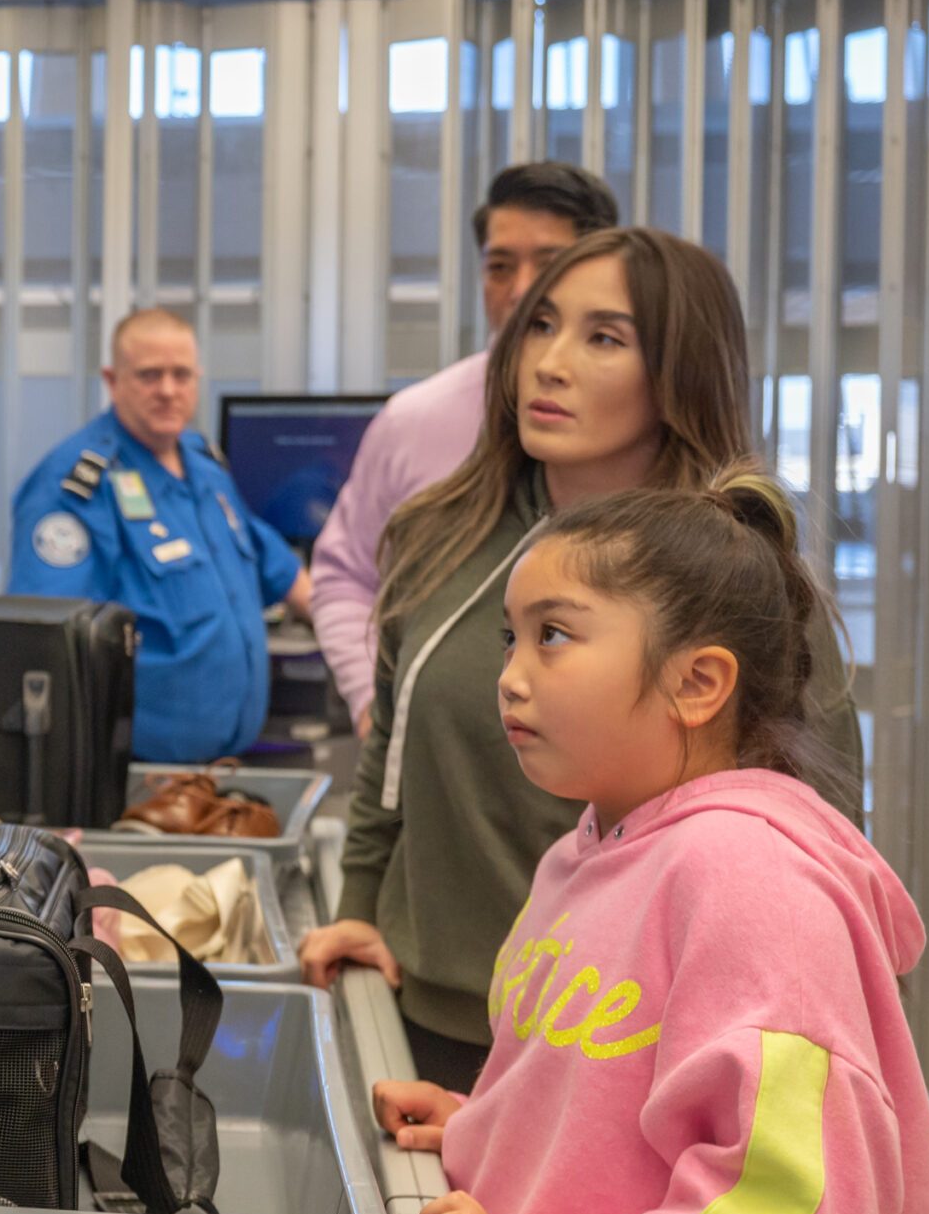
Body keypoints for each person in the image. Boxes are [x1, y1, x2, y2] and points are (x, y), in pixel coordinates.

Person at [373, 473, 929, 1214]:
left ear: (697, 683)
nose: (510, 676)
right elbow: (621, 1098)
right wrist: (495, 1130)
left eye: (554, 636)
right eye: (509, 638)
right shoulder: (594, 848)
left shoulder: (749, 880)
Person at [296, 228, 862, 1091]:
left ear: (680, 372)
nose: (549, 363)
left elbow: (818, 839)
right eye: (541, 326)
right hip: (430, 1007)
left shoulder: (734, 579)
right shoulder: (441, 532)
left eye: (604, 337)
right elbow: (395, 744)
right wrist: (360, 908)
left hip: (626, 1049)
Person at [309, 163, 619, 735]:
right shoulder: (414, 421)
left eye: (549, 263)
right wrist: (370, 703)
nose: (521, 288)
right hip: (441, 770)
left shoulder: (637, 424)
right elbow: (344, 575)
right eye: (500, 266)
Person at [8, 307, 312, 765]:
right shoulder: (75, 487)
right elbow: (46, 642)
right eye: (150, 375)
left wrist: (369, 655)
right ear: (112, 380)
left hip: (220, 769)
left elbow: (280, 571)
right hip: (133, 776)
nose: (168, 391)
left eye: (181, 374)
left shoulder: (203, 463)